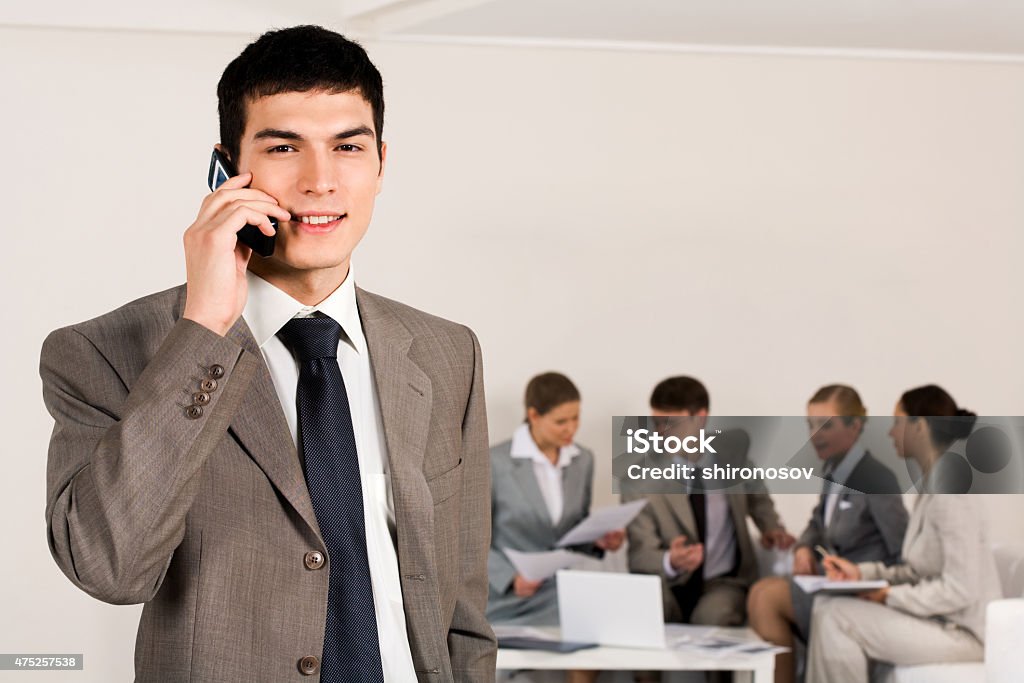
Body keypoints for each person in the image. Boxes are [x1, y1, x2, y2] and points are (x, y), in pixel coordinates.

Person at [39, 26, 495, 683]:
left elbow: (464, 606)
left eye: (348, 147)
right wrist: (204, 328)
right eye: (285, 147)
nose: (320, 181)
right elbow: (109, 566)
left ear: (381, 164)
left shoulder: (449, 352)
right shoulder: (104, 351)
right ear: (226, 167)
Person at [806, 384, 1001, 683]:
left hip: (963, 633)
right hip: (937, 621)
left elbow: (961, 589)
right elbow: (916, 571)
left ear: (920, 426)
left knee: (836, 617)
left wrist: (888, 596)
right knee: (826, 606)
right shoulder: (932, 489)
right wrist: (859, 573)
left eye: (897, 422)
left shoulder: (953, 494)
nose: (890, 433)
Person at [626, 376, 795, 683]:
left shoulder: (735, 460)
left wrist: (771, 528)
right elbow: (639, 553)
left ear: (700, 417)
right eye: (655, 423)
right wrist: (669, 561)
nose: (660, 433)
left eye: (670, 423)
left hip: (723, 582)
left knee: (713, 616)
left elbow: (758, 500)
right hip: (665, 585)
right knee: (644, 611)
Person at [746, 384, 908, 683]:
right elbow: (817, 523)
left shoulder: (876, 478)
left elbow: (902, 553)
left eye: (826, 425)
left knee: (766, 598)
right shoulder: (834, 472)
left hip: (856, 593)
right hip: (829, 585)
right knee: (759, 592)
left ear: (855, 425)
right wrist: (804, 548)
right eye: (810, 424)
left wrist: (876, 587)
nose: (814, 434)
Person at [488, 372, 623, 683]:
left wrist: (599, 540)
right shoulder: (495, 462)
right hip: (506, 595)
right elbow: (469, 536)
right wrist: (509, 578)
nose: (571, 429)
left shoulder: (582, 460)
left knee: (601, 622)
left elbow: (573, 530)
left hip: (558, 589)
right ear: (533, 415)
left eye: (576, 419)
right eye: (561, 422)